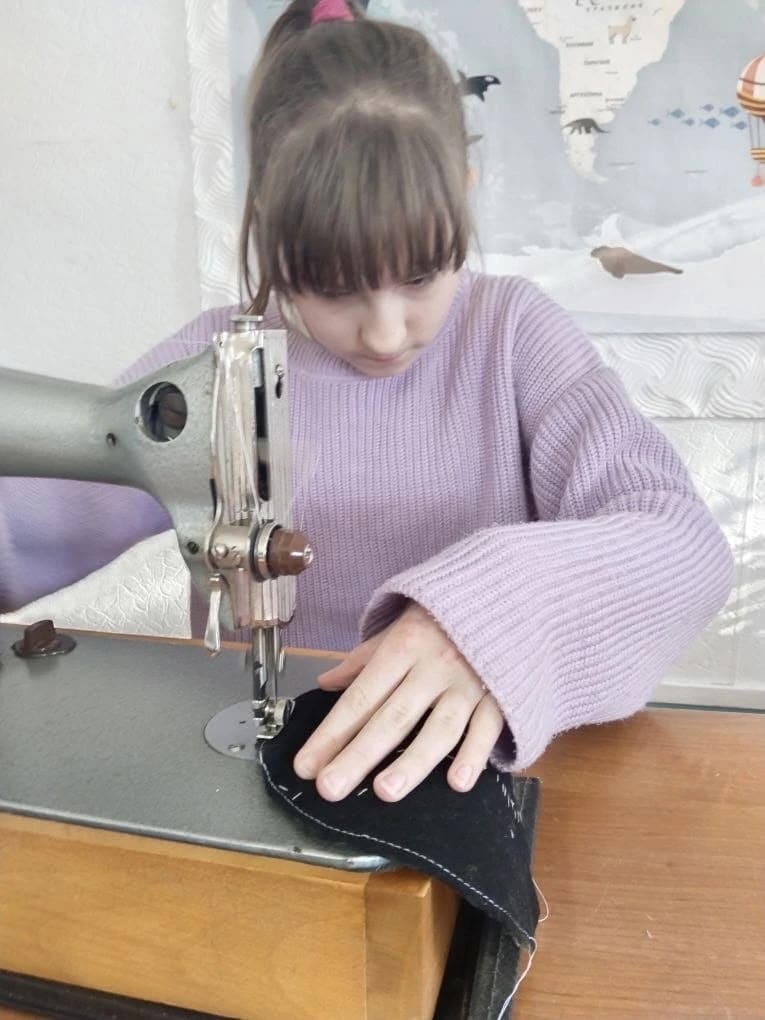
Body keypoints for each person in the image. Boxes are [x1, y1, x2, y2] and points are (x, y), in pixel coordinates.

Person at [0, 0, 733, 805]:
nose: (385, 334)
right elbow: (30, 525)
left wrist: (489, 619)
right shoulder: (216, 368)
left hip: (474, 780)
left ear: (463, 197)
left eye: (419, 276)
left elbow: (680, 544)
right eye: (332, 287)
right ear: (271, 234)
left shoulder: (513, 338)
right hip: (280, 774)